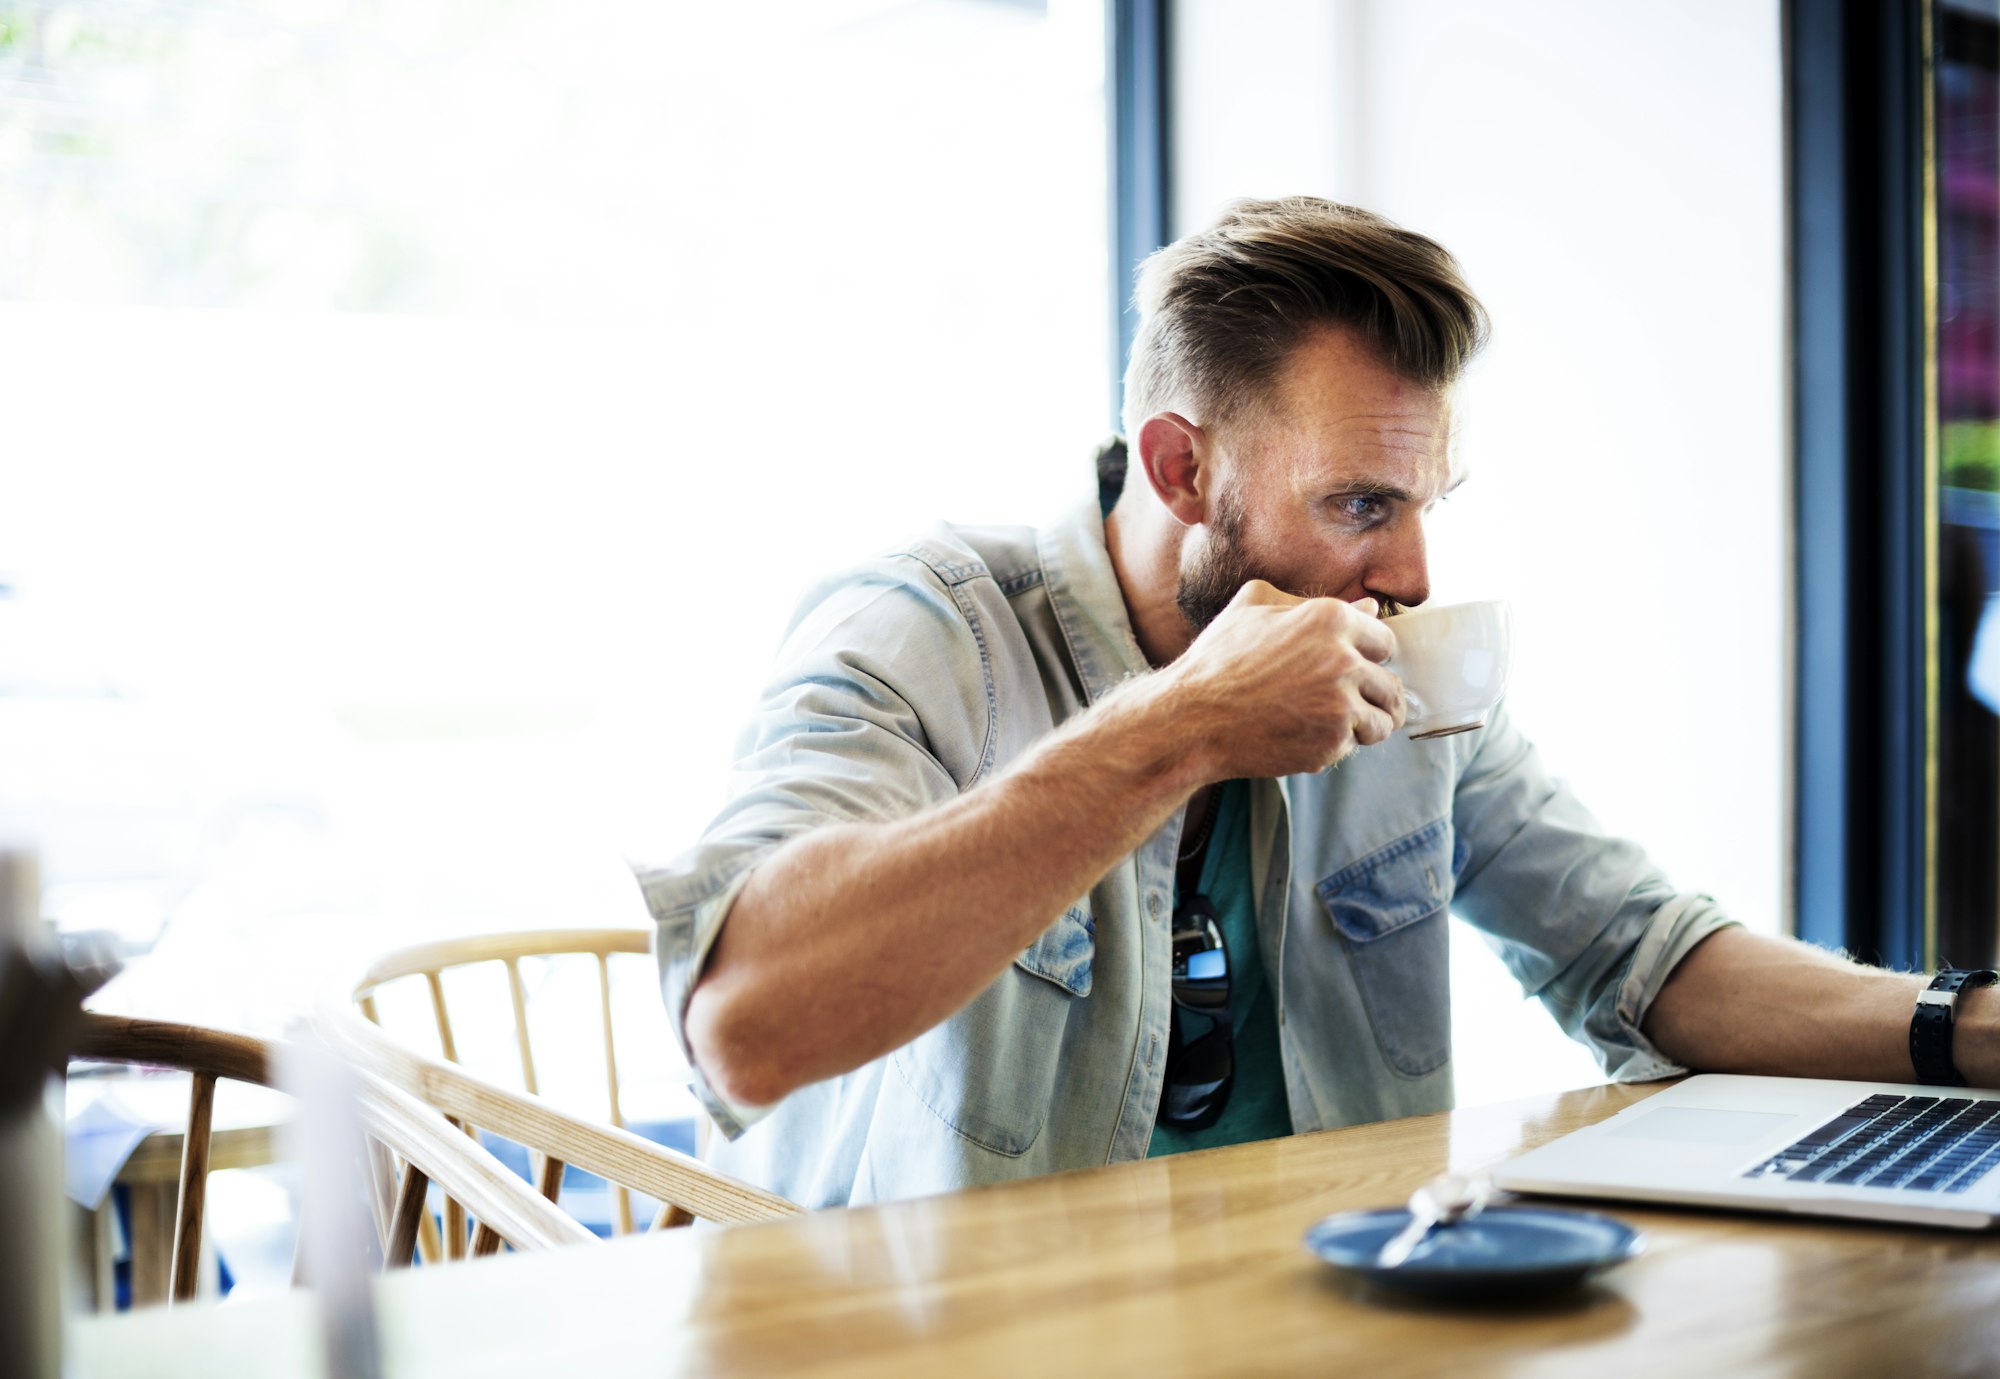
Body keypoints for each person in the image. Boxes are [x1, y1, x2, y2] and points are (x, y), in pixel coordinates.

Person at [633, 197, 1999, 1209]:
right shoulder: (928, 630)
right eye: (1360, 505)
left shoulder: (1390, 651)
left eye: (1421, 506)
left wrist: (1964, 1027)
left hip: (1340, 1309)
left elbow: (1638, 957)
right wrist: (1182, 727)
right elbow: (745, 1026)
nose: (1409, 572)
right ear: (1180, 469)